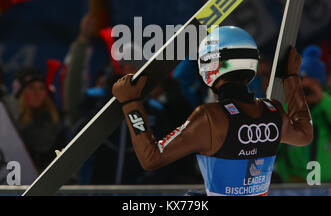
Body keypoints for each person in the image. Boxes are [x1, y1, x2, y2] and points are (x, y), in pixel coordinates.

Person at [112, 25, 313, 196]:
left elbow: (151, 158)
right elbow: (305, 134)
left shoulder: (209, 117)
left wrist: (130, 103)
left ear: (211, 65)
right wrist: (291, 77)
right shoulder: (273, 110)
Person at [276, 45, 331, 183]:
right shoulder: (287, 110)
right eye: (302, 86)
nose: (306, 90)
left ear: (322, 85)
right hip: (294, 186)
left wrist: (322, 98)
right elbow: (274, 146)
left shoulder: (327, 107)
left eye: (312, 85)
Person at [11, 66, 67, 173]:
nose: (37, 93)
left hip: (48, 181)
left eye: (41, 88)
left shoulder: (55, 119)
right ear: (21, 93)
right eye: (31, 88)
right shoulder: (10, 121)